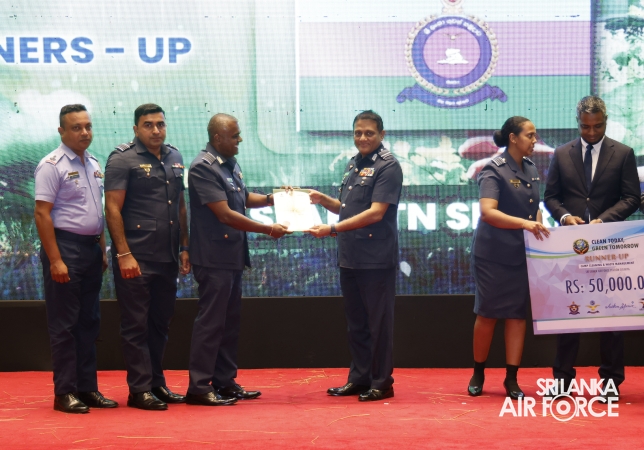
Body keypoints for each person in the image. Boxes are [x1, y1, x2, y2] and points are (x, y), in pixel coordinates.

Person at [185, 113, 290, 406]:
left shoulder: (229, 163)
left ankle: (225, 382)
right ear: (218, 138)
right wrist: (268, 228)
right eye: (235, 135)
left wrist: (272, 199)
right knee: (211, 324)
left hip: (231, 257)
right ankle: (199, 387)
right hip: (213, 258)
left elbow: (241, 198)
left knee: (229, 323)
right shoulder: (203, 167)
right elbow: (225, 214)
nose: (240, 139)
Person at [544, 96, 640, 399]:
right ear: (578, 123)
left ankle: (610, 385)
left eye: (597, 126)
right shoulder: (561, 154)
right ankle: (562, 382)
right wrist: (564, 216)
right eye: (586, 127)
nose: (592, 132)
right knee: (567, 316)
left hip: (609, 247)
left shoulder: (623, 153)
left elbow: (632, 198)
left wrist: (603, 219)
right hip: (569, 249)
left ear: (605, 121)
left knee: (611, 318)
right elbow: (551, 197)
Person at [307, 110, 403, 402]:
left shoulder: (388, 166)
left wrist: (332, 228)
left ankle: (382, 382)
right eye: (358, 133)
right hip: (350, 256)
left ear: (381, 135)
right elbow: (348, 209)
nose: (362, 138)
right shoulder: (354, 163)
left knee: (378, 324)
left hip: (375, 258)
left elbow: (375, 213)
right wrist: (323, 201)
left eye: (369, 133)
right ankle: (360, 378)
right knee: (357, 324)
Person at [104, 104, 191, 411]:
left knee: (160, 323)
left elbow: (180, 205)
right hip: (136, 257)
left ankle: (156, 383)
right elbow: (112, 208)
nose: (156, 130)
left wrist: (184, 246)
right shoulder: (122, 158)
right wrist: (123, 253)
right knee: (136, 325)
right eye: (148, 125)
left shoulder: (175, 156)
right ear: (136, 129)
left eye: (160, 124)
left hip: (167, 256)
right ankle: (139, 389)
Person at [34, 104, 118, 413]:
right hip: (65, 248)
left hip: (91, 249)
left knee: (89, 322)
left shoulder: (93, 162)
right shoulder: (50, 165)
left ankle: (87, 388)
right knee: (65, 324)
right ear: (61, 131)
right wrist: (56, 260)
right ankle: (65, 392)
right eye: (76, 127)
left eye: (87, 126)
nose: (84, 132)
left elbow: (97, 211)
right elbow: (42, 214)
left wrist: (103, 249)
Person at [467, 117, 550, 400]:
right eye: (530, 135)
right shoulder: (493, 169)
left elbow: (534, 209)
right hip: (492, 254)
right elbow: (488, 212)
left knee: (516, 315)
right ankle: (478, 372)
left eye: (535, 135)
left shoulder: (531, 168)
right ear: (513, 138)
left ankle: (511, 378)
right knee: (488, 314)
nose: (534, 140)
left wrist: (538, 226)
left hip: (521, 252)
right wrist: (525, 224)